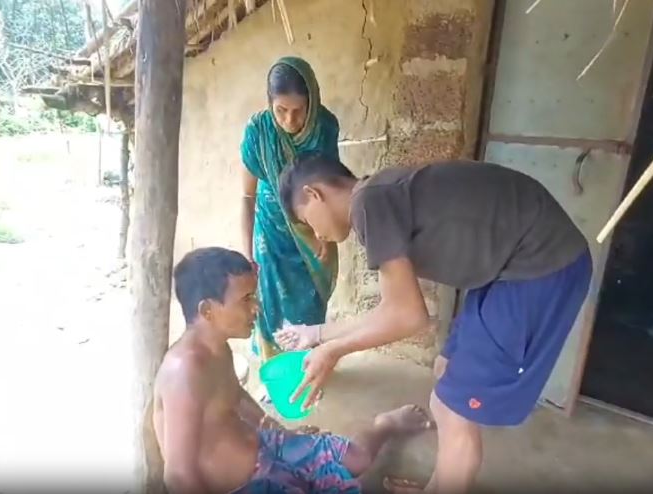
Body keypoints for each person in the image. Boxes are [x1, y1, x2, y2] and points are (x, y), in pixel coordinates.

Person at [275, 155, 593, 494]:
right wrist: (318, 335)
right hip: (508, 268)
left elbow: (408, 316)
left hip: (539, 265)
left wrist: (332, 350)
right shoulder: (378, 194)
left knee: (453, 410)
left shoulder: (369, 203)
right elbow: (393, 309)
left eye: (307, 221)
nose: (317, 234)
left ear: (314, 194)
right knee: (445, 369)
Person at [154, 246, 431, 494]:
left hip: (268, 446)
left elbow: (234, 395)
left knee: (357, 459)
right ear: (207, 311)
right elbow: (179, 475)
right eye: (246, 299)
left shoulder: (218, 347)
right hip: (246, 485)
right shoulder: (183, 371)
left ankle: (384, 425)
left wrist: (278, 429)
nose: (257, 308)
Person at [240, 56, 341, 360]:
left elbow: (330, 185)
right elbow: (247, 198)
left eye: (299, 111)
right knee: (270, 304)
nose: (289, 121)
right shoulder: (259, 131)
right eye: (281, 110)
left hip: (315, 230)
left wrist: (324, 235)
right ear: (269, 102)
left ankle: (310, 364)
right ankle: (276, 368)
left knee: (310, 303)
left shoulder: (325, 126)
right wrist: (246, 253)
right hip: (270, 234)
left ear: (312, 101)